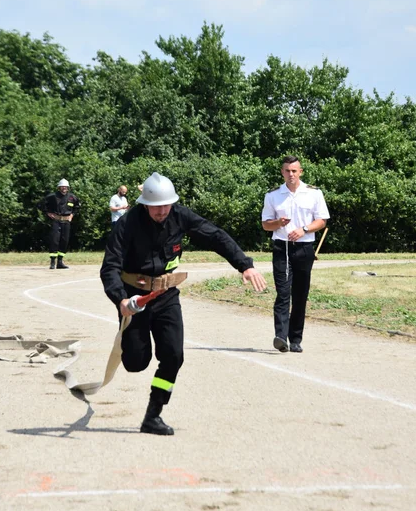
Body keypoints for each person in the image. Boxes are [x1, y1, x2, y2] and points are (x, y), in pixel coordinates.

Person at [100, 172, 267, 436]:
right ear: (145, 204)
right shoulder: (127, 224)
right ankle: (130, 340)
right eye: (156, 206)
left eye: (166, 205)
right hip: (135, 299)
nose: (162, 211)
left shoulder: (179, 215)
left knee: (173, 357)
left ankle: (153, 415)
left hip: (166, 296)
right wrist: (120, 299)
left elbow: (215, 236)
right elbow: (110, 267)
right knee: (135, 362)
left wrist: (244, 265)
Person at [261, 156, 330, 354]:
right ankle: (281, 337)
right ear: (282, 172)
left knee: (300, 295)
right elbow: (266, 224)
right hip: (282, 248)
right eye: (287, 171)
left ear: (300, 172)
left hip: (304, 248)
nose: (291, 174)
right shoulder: (273, 195)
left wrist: (304, 229)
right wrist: (278, 223)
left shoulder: (313, 193)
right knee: (283, 293)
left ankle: (296, 338)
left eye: (294, 171)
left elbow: (322, 220)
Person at [38, 179, 80, 270]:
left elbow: (77, 207)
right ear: (59, 187)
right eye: (62, 186)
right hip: (56, 221)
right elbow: (41, 204)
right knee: (54, 240)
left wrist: (72, 215)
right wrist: (48, 213)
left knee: (65, 240)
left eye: (65, 186)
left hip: (66, 221)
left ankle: (60, 262)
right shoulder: (52, 196)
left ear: (68, 187)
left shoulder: (72, 197)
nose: (64, 188)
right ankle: (53, 261)